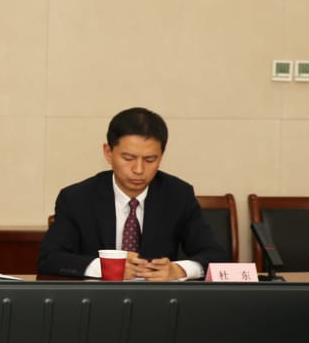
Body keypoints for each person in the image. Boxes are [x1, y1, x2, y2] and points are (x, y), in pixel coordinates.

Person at [37, 107, 227, 280]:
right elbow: (49, 258)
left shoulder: (178, 195)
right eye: (128, 158)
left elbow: (216, 256)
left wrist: (179, 270)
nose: (138, 169)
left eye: (150, 159)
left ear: (161, 156)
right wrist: (106, 268)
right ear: (108, 152)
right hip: (95, 301)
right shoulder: (77, 198)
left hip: (158, 301)